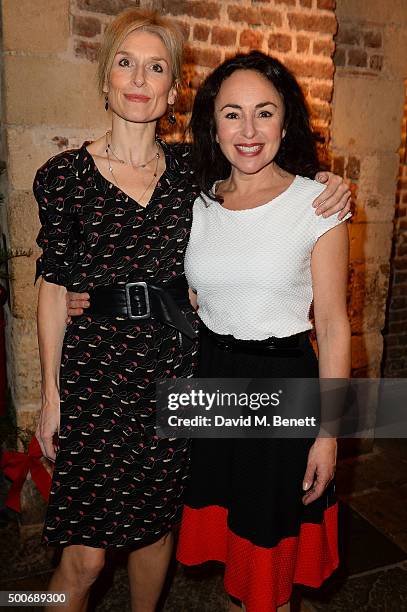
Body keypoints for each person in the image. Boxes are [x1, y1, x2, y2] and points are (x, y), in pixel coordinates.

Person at [42, 8, 349, 612]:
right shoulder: (87, 179)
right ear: (104, 78)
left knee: (190, 542)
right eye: (124, 64)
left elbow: (324, 310)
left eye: (155, 67)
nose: (137, 79)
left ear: (172, 89)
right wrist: (54, 390)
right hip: (119, 376)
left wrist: (328, 432)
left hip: (206, 376)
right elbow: (55, 285)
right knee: (85, 557)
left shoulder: (196, 178)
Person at [175, 52, 351, 612]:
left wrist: (329, 434)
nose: (248, 131)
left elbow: (332, 323)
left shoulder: (316, 204)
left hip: (282, 387)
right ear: (212, 125)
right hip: (212, 379)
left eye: (264, 112)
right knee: (234, 556)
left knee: (269, 567)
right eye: (232, 114)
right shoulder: (198, 203)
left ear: (285, 121)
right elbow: (190, 291)